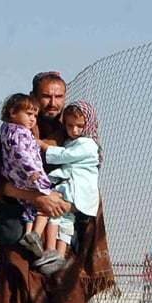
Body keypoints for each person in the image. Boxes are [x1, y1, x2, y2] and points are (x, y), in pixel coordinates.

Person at [0, 71, 114, 303]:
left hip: (64, 236)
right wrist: (35, 197)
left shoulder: (77, 131)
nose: (53, 103)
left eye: (58, 96)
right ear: (34, 97)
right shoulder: (17, 131)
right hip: (22, 235)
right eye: (46, 96)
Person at [34, 101, 102, 274]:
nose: (74, 130)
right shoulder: (73, 142)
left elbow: (65, 156)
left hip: (77, 192)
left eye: (80, 126)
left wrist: (42, 146)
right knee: (65, 219)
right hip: (74, 191)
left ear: (89, 125)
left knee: (53, 210)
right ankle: (57, 254)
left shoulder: (88, 145)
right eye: (70, 125)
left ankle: (46, 245)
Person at [0, 93, 53, 262]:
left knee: (30, 206)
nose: (32, 119)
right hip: (27, 175)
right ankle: (35, 234)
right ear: (13, 112)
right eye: (29, 114)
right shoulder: (19, 133)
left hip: (16, 176)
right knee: (48, 201)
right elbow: (22, 154)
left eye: (35, 115)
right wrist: (33, 172)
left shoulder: (7, 130)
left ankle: (29, 234)